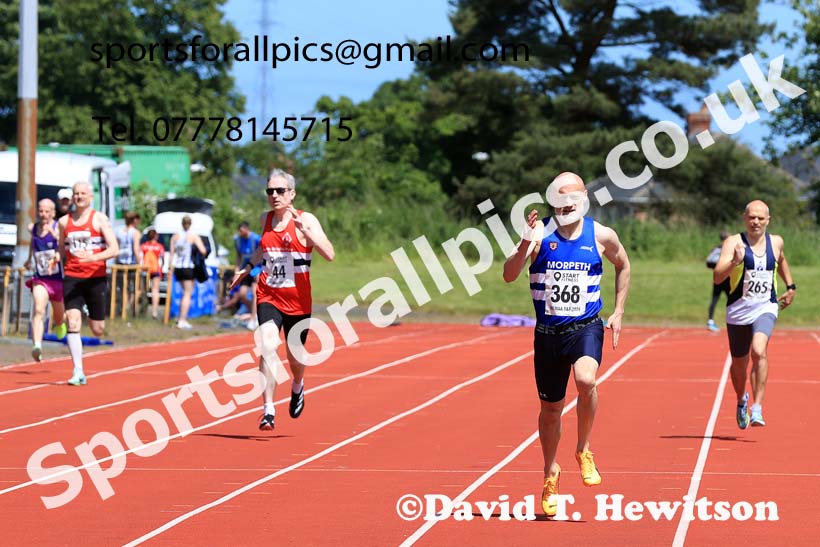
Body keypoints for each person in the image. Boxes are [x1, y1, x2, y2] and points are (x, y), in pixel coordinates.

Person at [502, 172, 631, 518]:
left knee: (586, 379)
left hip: (585, 326)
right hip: (548, 334)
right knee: (550, 410)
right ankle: (550, 472)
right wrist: (524, 244)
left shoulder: (602, 235)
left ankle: (583, 448)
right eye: (559, 201)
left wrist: (618, 311)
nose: (566, 206)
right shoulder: (539, 234)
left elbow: (624, 265)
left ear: (584, 198)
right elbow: (509, 274)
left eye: (571, 199)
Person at [230, 168, 335, 431]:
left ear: (292, 193)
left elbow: (330, 253)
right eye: (270, 191)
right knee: (267, 345)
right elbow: (261, 250)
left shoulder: (306, 218)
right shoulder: (265, 219)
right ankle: (268, 410)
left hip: (298, 301)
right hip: (269, 294)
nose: (274, 196)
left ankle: (297, 386)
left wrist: (306, 233)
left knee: (295, 358)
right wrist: (245, 268)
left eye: (280, 191)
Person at [713, 200, 795, 429]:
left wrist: (791, 286)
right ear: (744, 218)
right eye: (751, 217)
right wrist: (734, 262)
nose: (755, 222)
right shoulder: (733, 243)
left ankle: (757, 407)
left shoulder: (776, 242)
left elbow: (782, 260)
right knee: (739, 364)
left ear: (768, 220)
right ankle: (742, 400)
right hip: (738, 310)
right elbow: (717, 277)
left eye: (760, 218)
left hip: (765, 307)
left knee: (759, 351)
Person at [51, 182, 119, 385]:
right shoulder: (64, 222)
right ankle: (78, 370)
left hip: (95, 277)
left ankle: (90, 311)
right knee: (72, 321)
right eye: (76, 194)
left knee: (97, 330)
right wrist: (56, 257)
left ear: (90, 196)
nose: (79, 197)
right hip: (72, 277)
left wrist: (94, 258)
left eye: (82, 193)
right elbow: (62, 248)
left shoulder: (99, 219)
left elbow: (114, 248)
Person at [24, 199, 67, 361]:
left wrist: (54, 235)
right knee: (39, 310)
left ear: (53, 213)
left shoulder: (58, 228)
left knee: (59, 316)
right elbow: (32, 244)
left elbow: (63, 246)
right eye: (41, 211)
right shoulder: (33, 228)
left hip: (57, 279)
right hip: (41, 278)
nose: (43, 215)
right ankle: (37, 345)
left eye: (47, 211)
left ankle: (61, 323)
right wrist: (29, 259)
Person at [168, 215, 206, 329]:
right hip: (188, 267)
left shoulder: (175, 236)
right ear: (190, 224)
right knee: (187, 293)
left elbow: (171, 254)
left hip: (178, 267)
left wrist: (170, 269)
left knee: (184, 293)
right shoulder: (193, 236)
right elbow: (203, 251)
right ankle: (182, 319)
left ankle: (181, 317)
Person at [233, 221, 261, 330]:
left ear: (247, 228)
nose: (241, 233)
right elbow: (238, 256)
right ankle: (254, 311)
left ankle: (253, 318)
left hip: (256, 268)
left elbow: (263, 252)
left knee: (255, 293)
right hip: (245, 269)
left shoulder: (256, 239)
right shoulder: (238, 240)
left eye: (242, 231)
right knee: (242, 294)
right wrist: (236, 271)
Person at [706, 231, 731, 332]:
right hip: (719, 279)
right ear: (724, 239)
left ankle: (734, 321)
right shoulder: (718, 249)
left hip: (728, 279)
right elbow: (708, 262)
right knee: (715, 299)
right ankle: (710, 321)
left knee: (732, 300)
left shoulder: (731, 249)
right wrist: (720, 266)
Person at [140, 229, 165, 320]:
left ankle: (141, 310)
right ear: (156, 236)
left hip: (145, 270)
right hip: (156, 270)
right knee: (155, 290)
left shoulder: (143, 246)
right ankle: (154, 312)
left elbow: (140, 258)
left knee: (143, 291)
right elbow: (162, 260)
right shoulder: (159, 247)